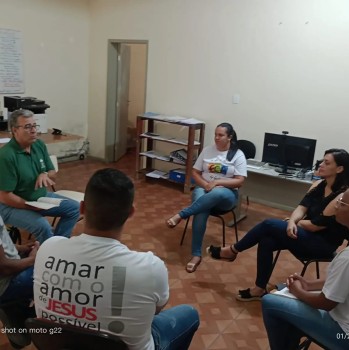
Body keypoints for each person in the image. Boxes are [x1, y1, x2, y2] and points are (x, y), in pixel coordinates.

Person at [34, 168, 200, 350]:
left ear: (82, 208)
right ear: (130, 213)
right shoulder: (150, 268)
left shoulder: (47, 249)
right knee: (190, 314)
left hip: (61, 344)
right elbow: (155, 311)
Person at [207, 148, 349, 300]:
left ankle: (232, 250)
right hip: (303, 234)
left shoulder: (342, 195)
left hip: (321, 244)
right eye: (322, 161)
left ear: (340, 169)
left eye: (326, 163)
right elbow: (301, 208)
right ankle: (259, 289)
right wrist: (292, 222)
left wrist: (293, 222)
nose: (321, 164)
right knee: (267, 240)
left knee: (269, 224)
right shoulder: (318, 184)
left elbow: (316, 225)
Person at [261, 188, 349, 350]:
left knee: (270, 301)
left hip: (344, 334)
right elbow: (342, 280)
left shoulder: (347, 257)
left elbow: (326, 303)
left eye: (342, 203)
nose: (336, 205)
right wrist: (309, 285)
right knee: (284, 297)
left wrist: (299, 292)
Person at [166, 123, 247, 273]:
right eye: (215, 134)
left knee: (216, 193)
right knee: (201, 208)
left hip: (226, 195)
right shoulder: (207, 150)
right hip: (204, 189)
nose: (216, 138)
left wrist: (217, 182)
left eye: (220, 135)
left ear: (229, 137)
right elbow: (195, 172)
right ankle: (196, 255)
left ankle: (181, 215)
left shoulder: (238, 154)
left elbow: (240, 181)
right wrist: (205, 184)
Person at [0, 109, 80, 243]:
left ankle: (57, 246)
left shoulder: (38, 145)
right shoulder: (6, 156)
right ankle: (49, 256)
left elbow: (52, 173)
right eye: (27, 127)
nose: (33, 130)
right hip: (11, 205)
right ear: (15, 130)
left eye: (34, 126)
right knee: (43, 226)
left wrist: (44, 174)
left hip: (39, 199)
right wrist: (29, 207)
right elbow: (5, 196)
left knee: (74, 208)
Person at [0, 215, 39, 348]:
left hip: (7, 270)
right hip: (6, 280)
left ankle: (15, 315)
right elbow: (4, 268)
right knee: (52, 275)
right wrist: (33, 259)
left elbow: (2, 243)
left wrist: (20, 248)